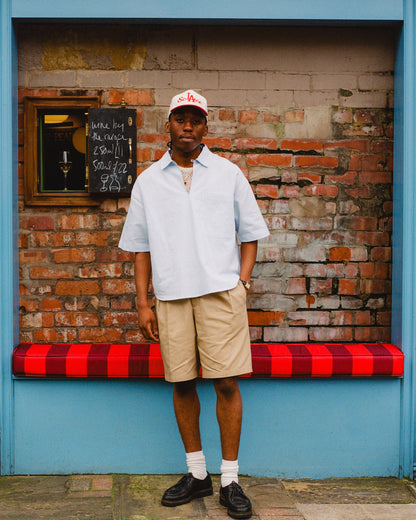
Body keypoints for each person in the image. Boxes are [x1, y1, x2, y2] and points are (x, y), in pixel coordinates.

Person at [119, 89, 269, 519]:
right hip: (171, 295)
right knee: (182, 382)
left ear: (206, 126)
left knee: (226, 382)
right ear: (167, 124)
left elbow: (251, 234)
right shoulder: (149, 180)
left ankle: (230, 479)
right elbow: (141, 248)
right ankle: (197, 472)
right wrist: (143, 303)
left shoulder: (227, 174)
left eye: (196, 119)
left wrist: (241, 283)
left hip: (221, 294)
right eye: (180, 118)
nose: (188, 126)